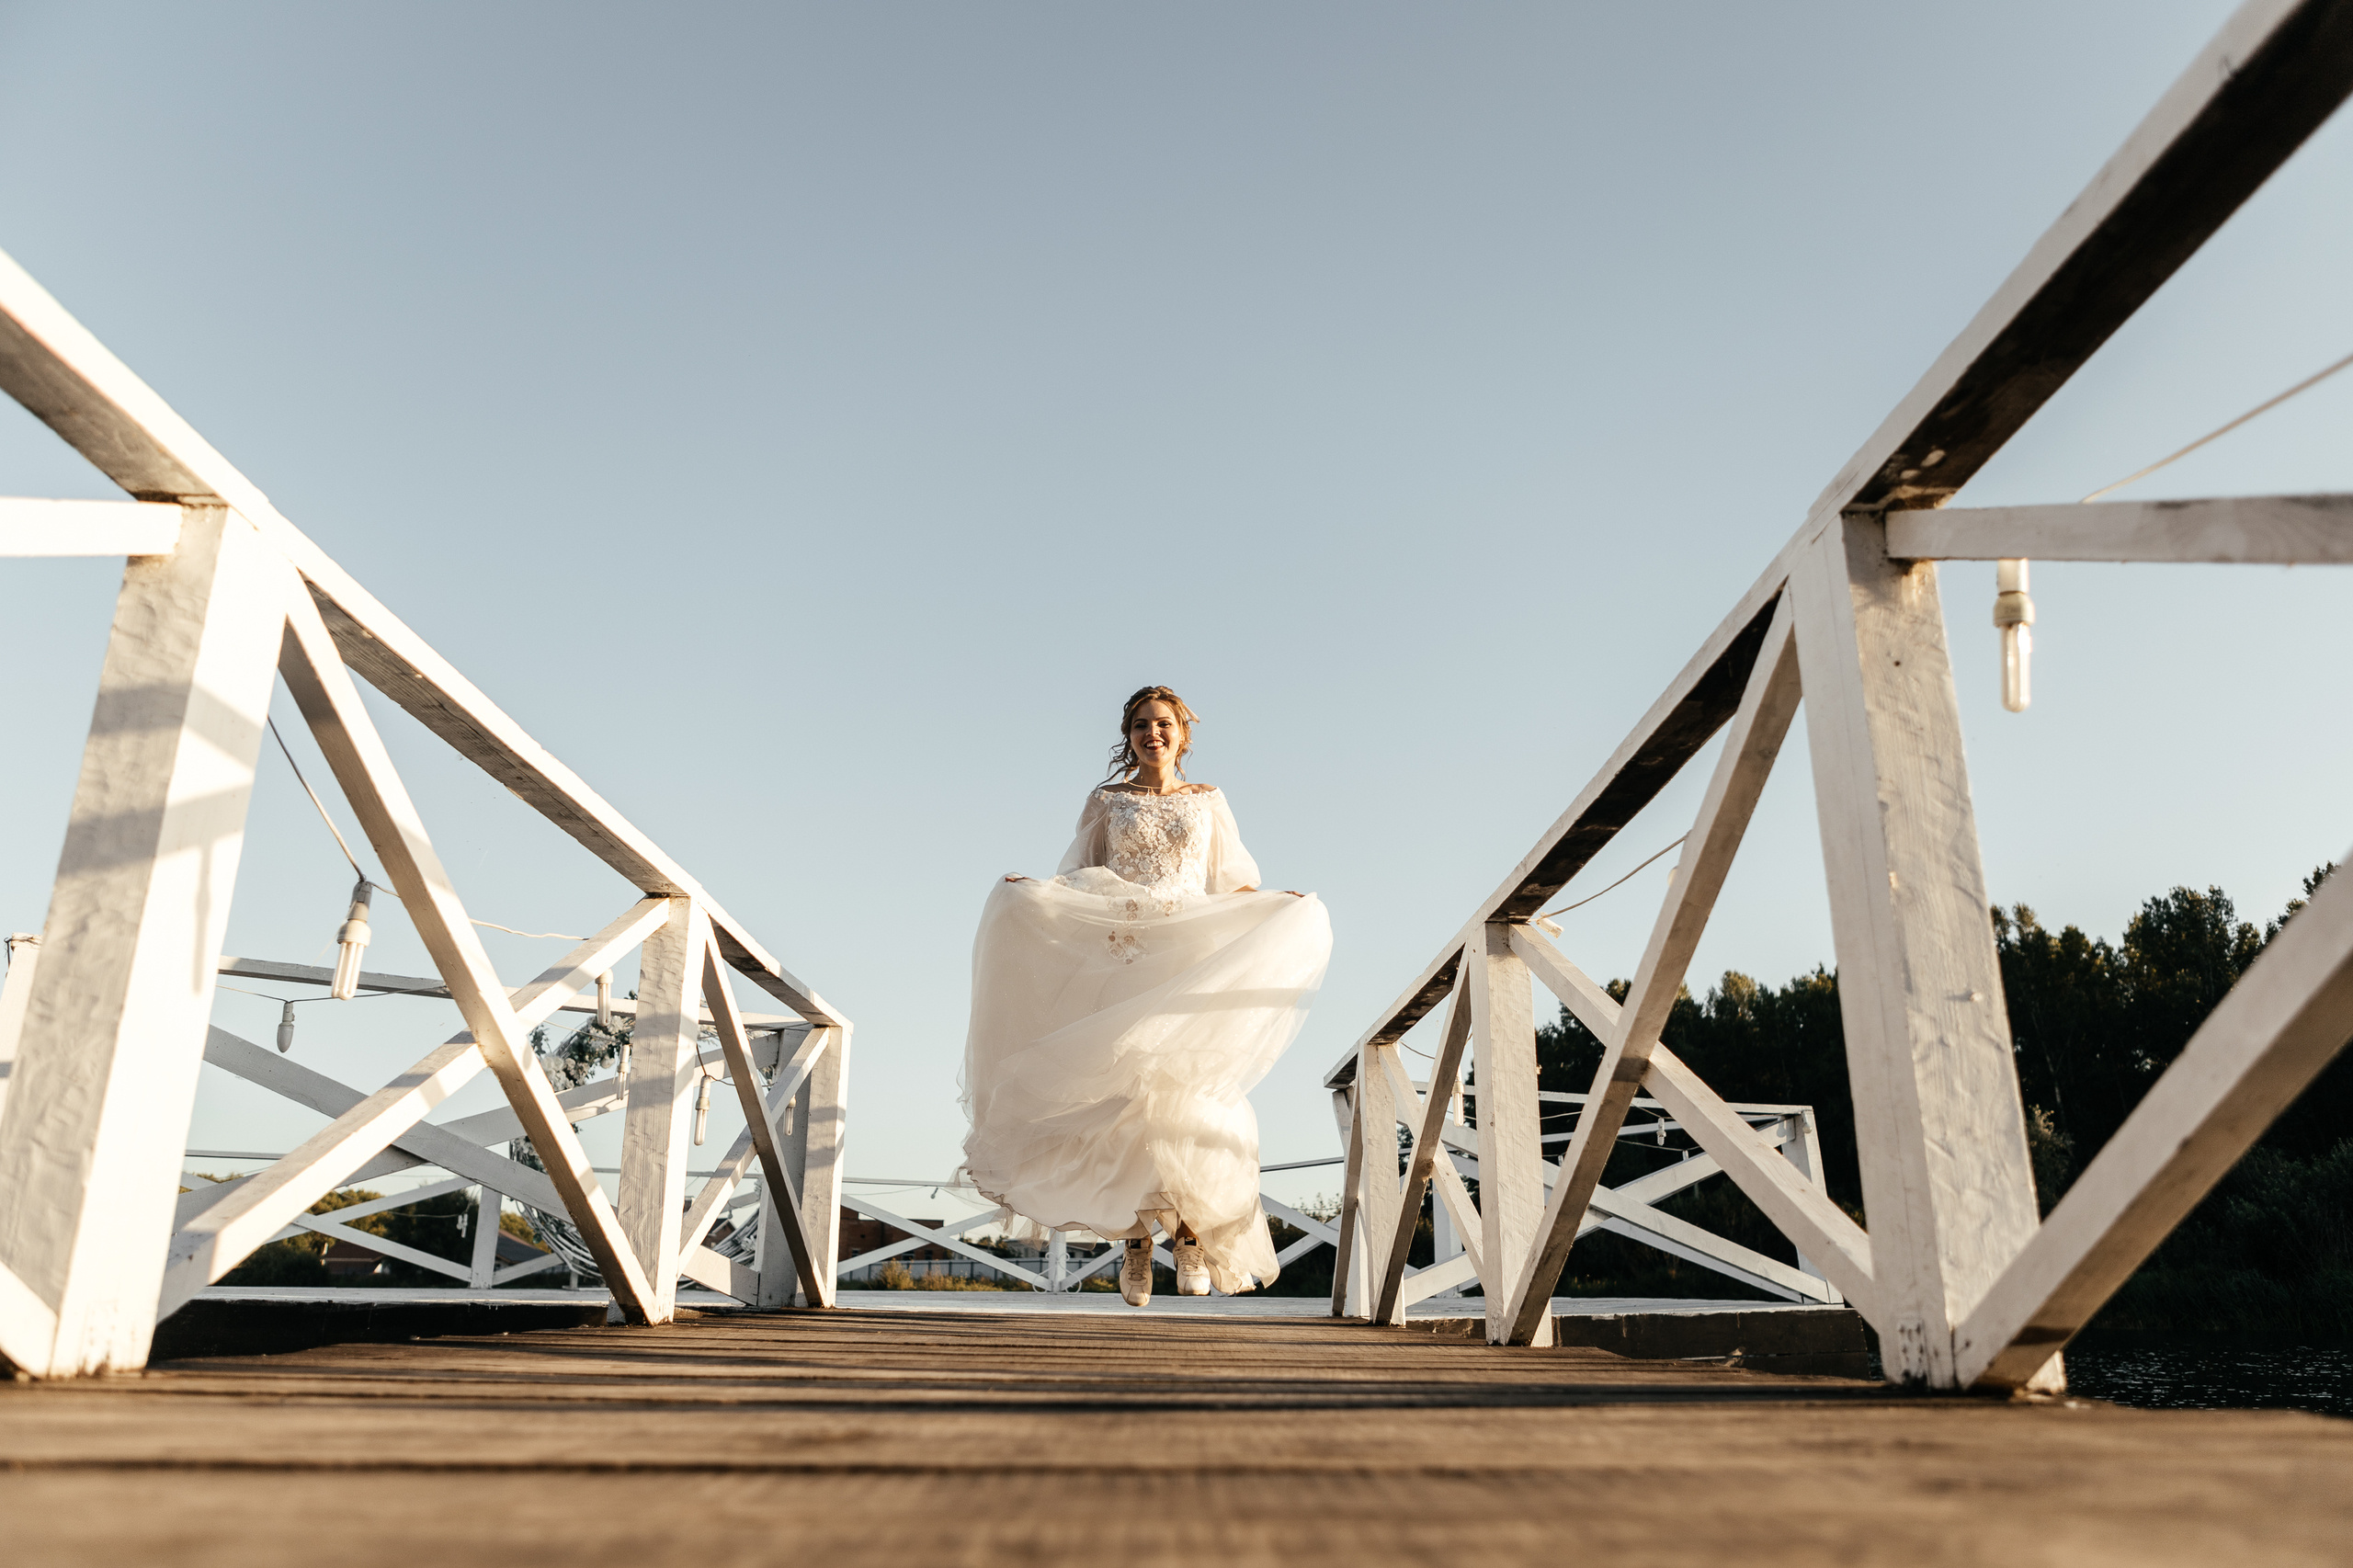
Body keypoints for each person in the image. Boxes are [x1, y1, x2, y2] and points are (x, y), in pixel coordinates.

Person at [960, 686, 1333, 1306]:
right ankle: (1135, 1242)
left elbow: (1229, 884)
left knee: (1189, 1099)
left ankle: (1189, 1233)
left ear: (1182, 733)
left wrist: (1274, 906)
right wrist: (1036, 892)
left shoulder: (1209, 801)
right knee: (1118, 1100)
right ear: (1127, 736)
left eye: (1162, 724)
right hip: (1122, 955)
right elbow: (1080, 875)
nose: (1151, 734)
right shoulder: (1107, 800)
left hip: (1185, 959)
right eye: (1140, 726)